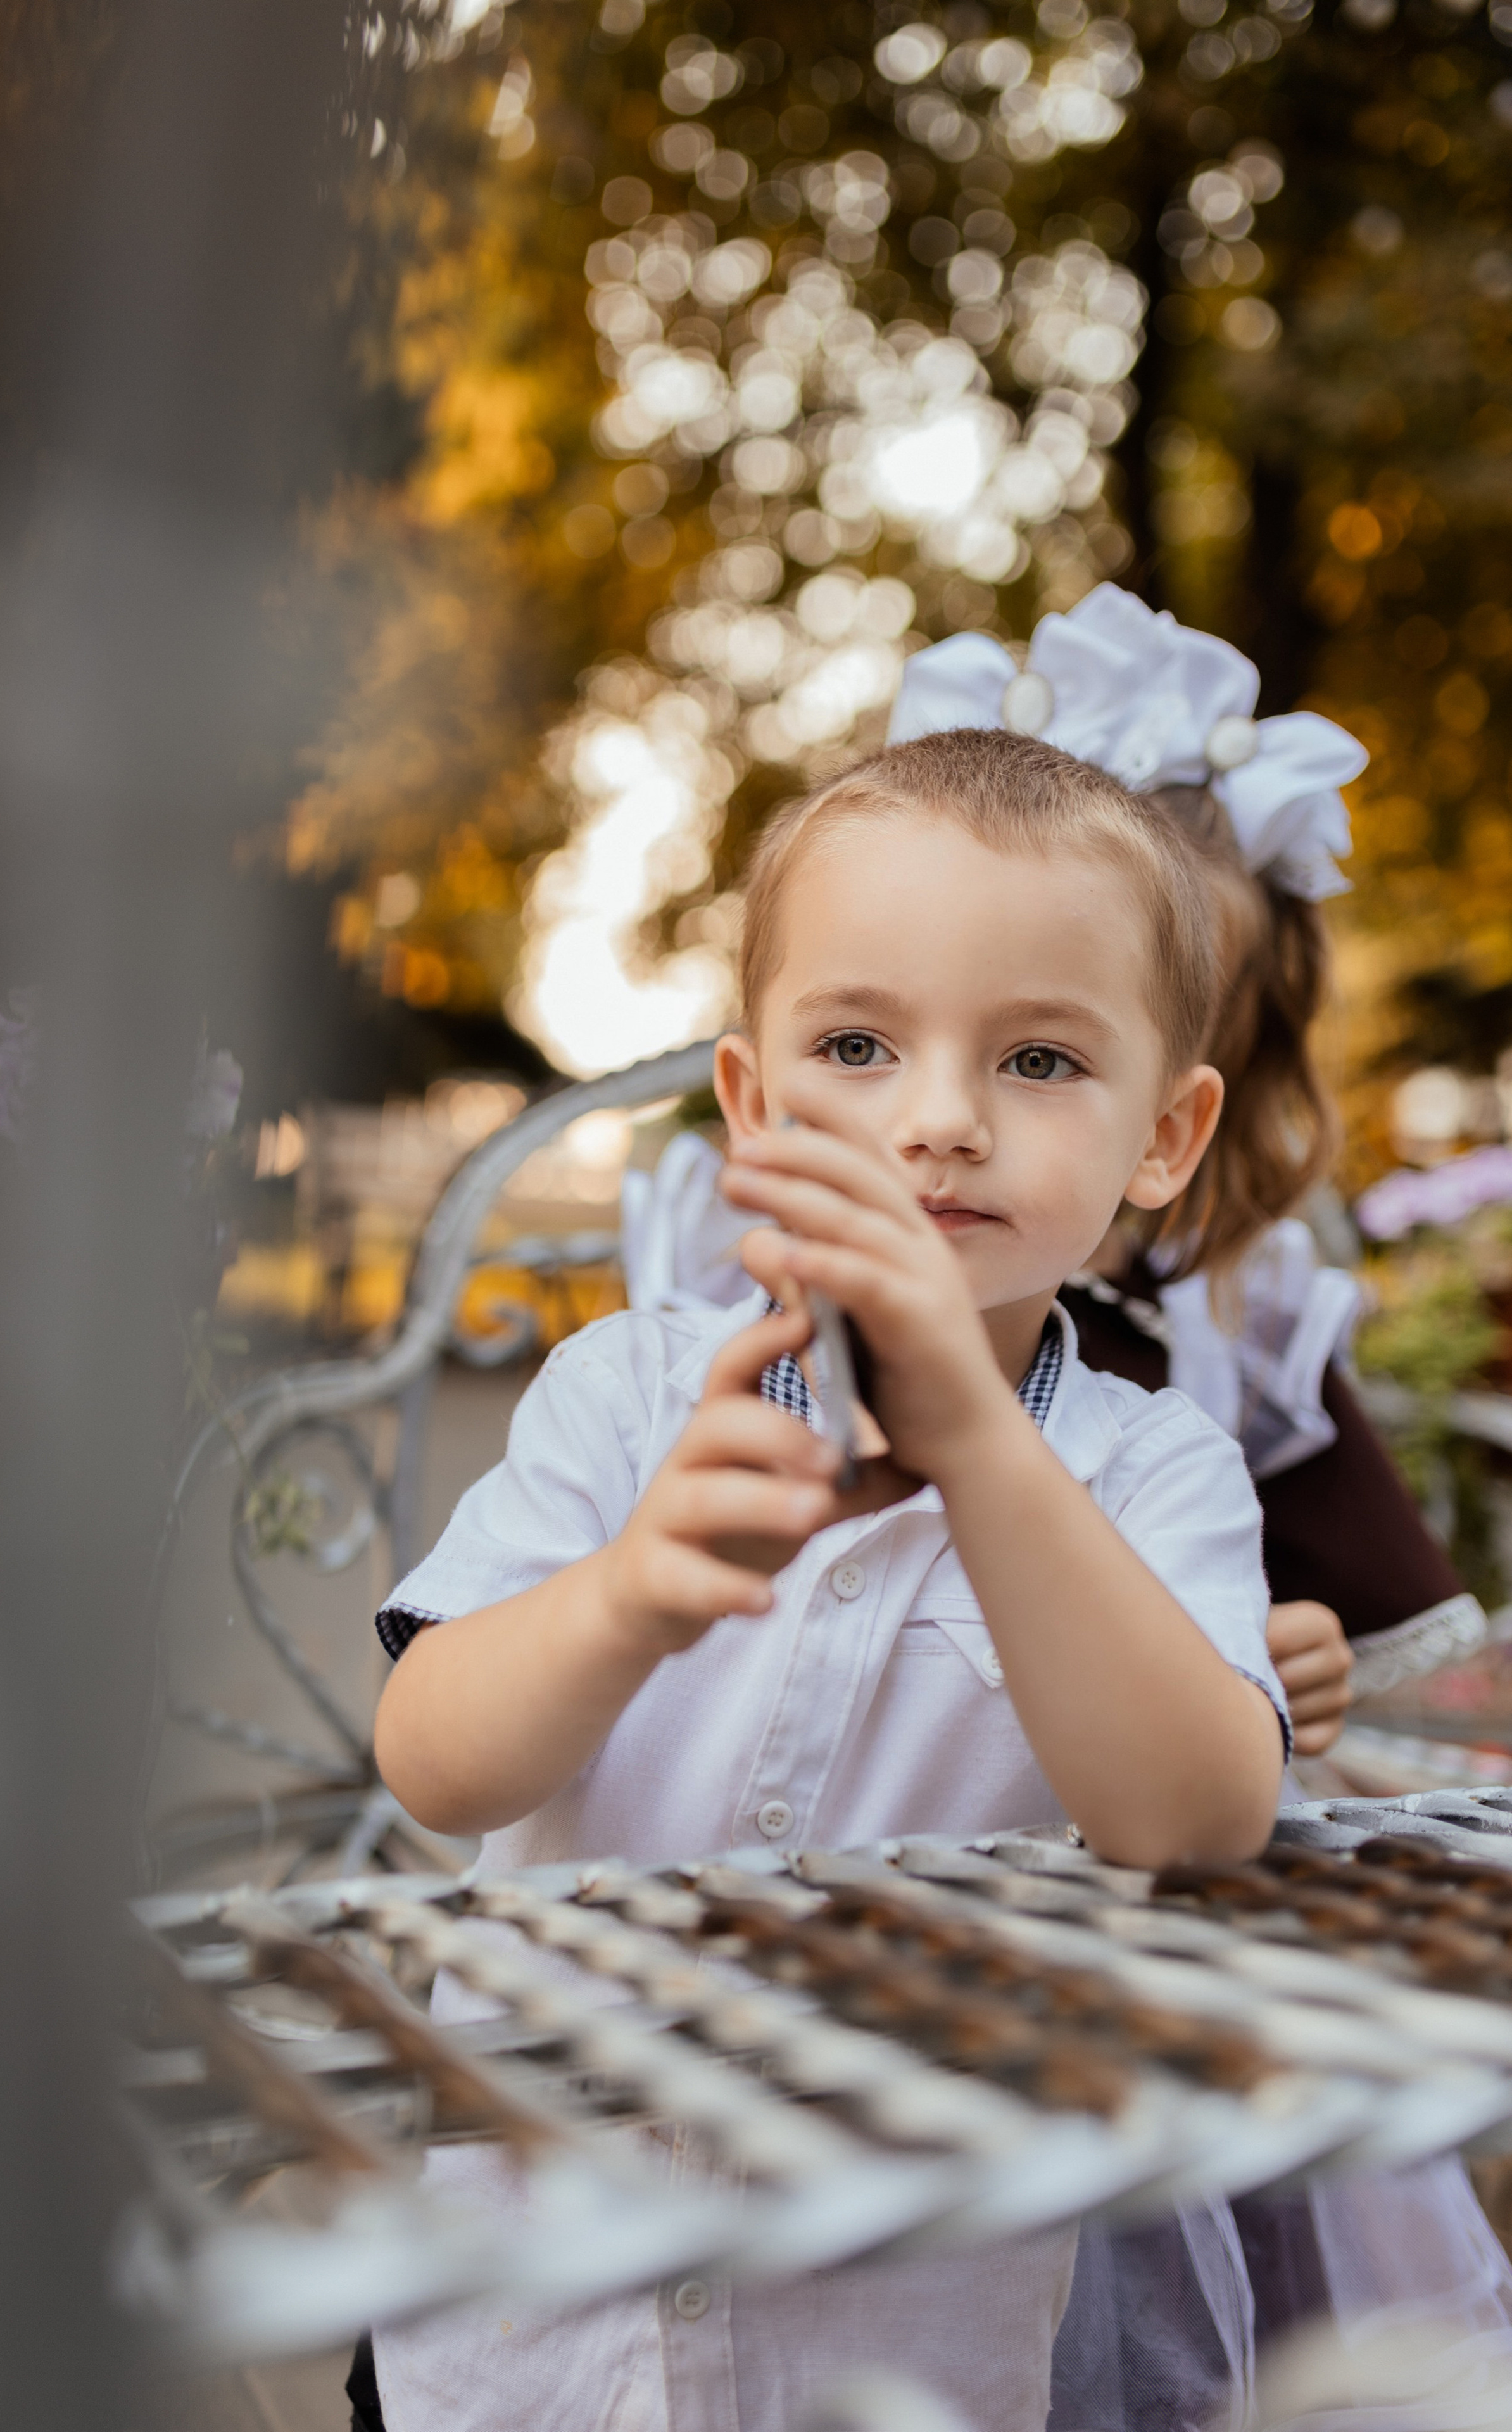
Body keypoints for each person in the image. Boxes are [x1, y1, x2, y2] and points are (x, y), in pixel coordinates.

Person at [365, 721, 1290, 2432]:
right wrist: (628, 1596)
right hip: (538, 2326)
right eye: (859, 1043)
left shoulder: (1149, 1473)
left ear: (1164, 1139)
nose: (939, 1124)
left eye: (1038, 1063)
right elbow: (431, 1759)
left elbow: (1198, 1819)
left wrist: (982, 1447)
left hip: (905, 2345)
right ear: (751, 1101)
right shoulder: (629, 1398)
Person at [881, 585, 1509, 2431]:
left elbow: (1350, 1640)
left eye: (1081, 1055)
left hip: (1158, 1890)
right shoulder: (809, 1291)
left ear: (1205, 1094)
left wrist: (1285, 1666)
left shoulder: (1241, 1316)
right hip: (873, 1842)